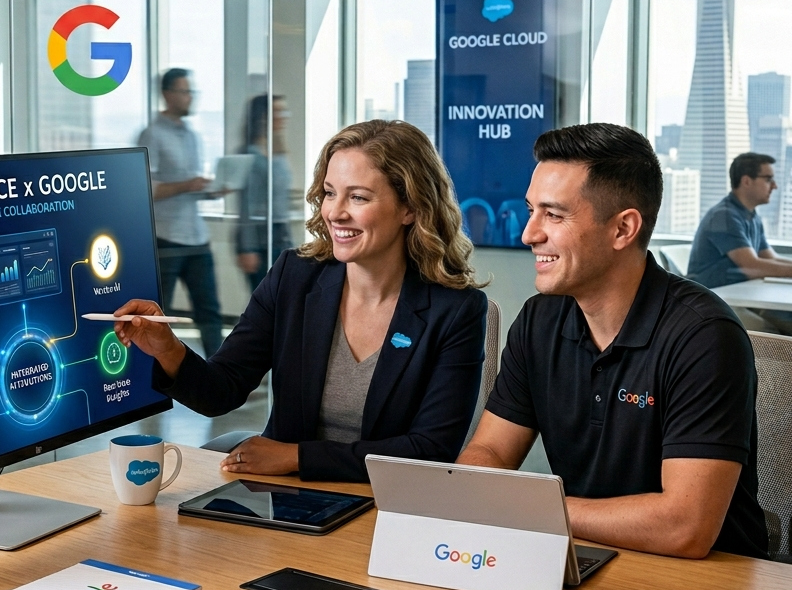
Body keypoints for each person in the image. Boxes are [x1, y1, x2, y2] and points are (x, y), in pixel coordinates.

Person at [458, 123, 769, 559]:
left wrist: (533, 510)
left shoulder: (705, 336)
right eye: (531, 210)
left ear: (623, 229)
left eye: (554, 215)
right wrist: (475, 491)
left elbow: (686, 526)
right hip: (585, 554)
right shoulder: (538, 321)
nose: (529, 234)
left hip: (705, 579)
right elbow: (490, 448)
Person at [115, 119, 488, 482]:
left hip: (388, 503)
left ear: (410, 208)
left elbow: (430, 450)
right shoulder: (293, 276)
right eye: (330, 192)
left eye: (358, 197)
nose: (335, 212)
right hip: (288, 497)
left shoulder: (457, 310)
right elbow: (220, 391)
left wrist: (295, 457)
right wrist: (168, 349)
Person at [137, 68, 224, 358]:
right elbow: (144, 188)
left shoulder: (193, 136)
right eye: (185, 91)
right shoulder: (152, 135)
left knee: (209, 310)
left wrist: (210, 190)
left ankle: (219, 372)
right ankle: (158, 372)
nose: (190, 97)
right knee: (158, 315)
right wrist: (187, 185)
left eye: (191, 92)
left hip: (196, 237)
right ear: (167, 94)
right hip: (167, 239)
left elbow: (190, 186)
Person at [688, 152, 792, 286]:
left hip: (736, 292)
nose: (774, 186)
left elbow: (770, 258)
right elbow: (751, 266)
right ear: (746, 181)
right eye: (768, 179)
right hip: (711, 295)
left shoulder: (752, 216)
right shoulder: (723, 216)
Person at [235, 93, 293, 291]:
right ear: (262, 117)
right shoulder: (250, 155)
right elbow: (245, 204)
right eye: (278, 111)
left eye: (284, 111)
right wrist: (247, 247)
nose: (283, 116)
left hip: (281, 236)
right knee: (265, 300)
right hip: (258, 240)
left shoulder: (278, 152)